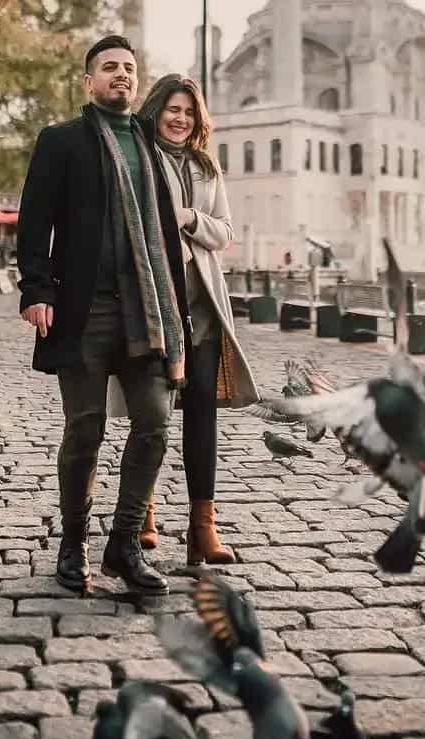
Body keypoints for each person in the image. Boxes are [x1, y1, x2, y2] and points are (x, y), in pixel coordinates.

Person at [16, 34, 189, 596]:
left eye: (129, 69)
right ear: (88, 81)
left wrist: (179, 317)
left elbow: (164, 234)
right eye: (110, 68)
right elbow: (34, 219)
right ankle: (72, 544)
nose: (122, 75)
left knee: (156, 425)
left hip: (148, 310)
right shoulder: (62, 141)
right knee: (85, 427)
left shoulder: (151, 146)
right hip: (84, 307)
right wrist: (36, 289)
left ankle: (123, 543)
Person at [113, 73, 259, 565]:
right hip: (153, 304)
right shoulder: (135, 157)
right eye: (172, 109)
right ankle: (144, 513)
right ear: (155, 110)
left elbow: (225, 231)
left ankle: (203, 527)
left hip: (203, 308)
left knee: (202, 414)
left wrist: (190, 218)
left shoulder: (206, 166)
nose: (180, 119)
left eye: (189, 112)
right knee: (151, 414)